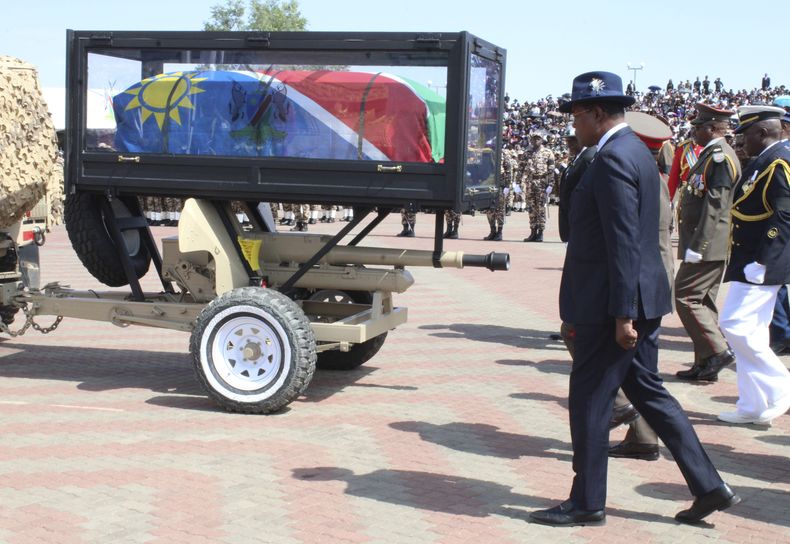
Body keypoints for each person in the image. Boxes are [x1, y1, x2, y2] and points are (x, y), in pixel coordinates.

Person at [530, 71, 738, 527]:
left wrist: (623, 315)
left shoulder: (612, 158)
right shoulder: (632, 152)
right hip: (636, 298)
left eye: (578, 116)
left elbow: (623, 240)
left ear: (599, 113)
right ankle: (709, 485)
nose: (573, 126)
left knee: (589, 401)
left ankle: (587, 502)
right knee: (650, 393)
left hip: (610, 306)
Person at [607, 111, 676, 461]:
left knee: (587, 341)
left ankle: (624, 411)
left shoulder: (639, 175)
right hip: (652, 278)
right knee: (645, 366)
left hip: (638, 281)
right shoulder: (655, 174)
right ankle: (645, 436)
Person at [717, 105, 790, 425]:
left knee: (735, 325)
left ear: (762, 132)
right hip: (750, 258)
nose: (742, 141)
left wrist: (765, 260)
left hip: (761, 260)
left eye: (746, 134)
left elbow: (784, 214)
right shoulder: (764, 159)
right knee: (752, 332)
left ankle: (779, 385)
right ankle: (753, 404)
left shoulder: (779, 161)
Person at [674, 103, 741, 382]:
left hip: (707, 244)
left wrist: (697, 246)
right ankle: (705, 363)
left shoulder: (719, 157)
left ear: (713, 128)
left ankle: (717, 351)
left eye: (698, 128)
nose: (694, 133)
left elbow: (716, 206)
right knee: (703, 301)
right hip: (706, 242)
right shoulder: (711, 154)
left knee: (685, 296)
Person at [523, 131, 555, 242]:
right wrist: (517, 183)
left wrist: (551, 184)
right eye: (534, 139)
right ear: (531, 140)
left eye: (538, 139)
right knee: (531, 208)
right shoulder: (527, 153)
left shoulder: (548, 152)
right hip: (530, 183)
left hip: (542, 182)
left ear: (542, 140)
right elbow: (521, 168)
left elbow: (551, 170)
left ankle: (540, 232)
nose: (536, 141)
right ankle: (533, 231)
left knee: (541, 208)